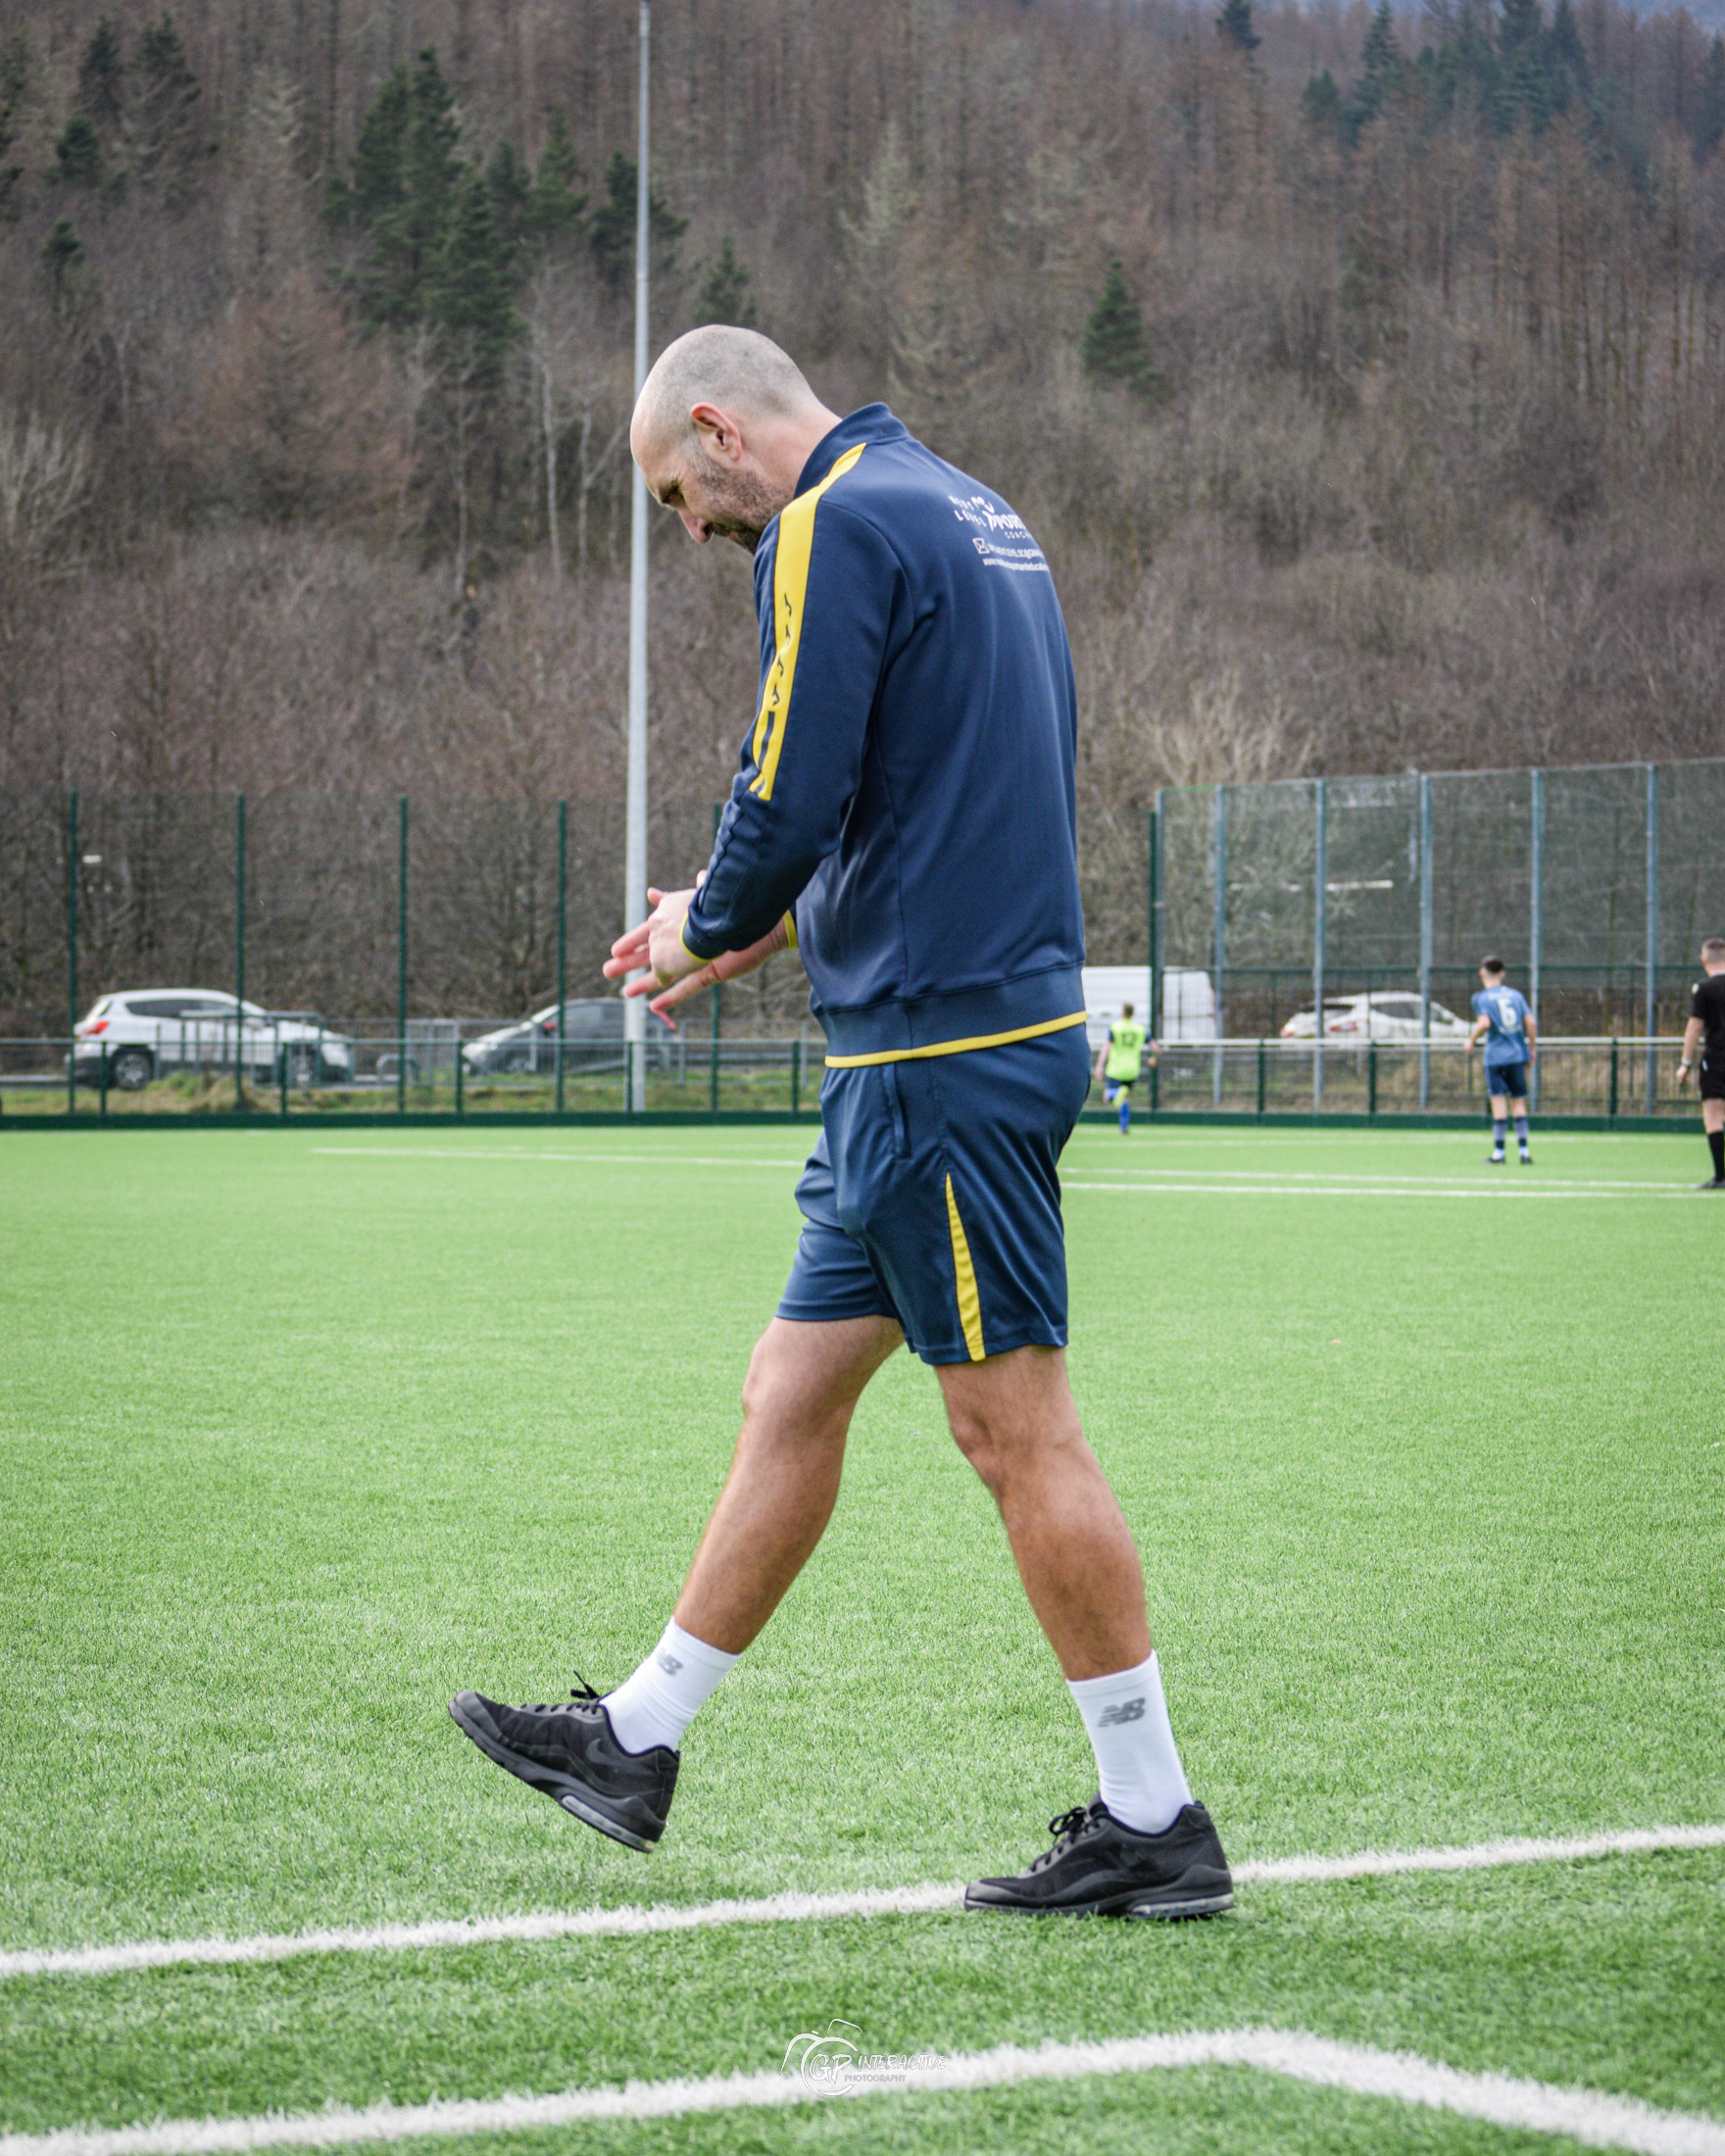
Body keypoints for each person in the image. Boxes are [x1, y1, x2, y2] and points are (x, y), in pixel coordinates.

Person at [450, 326, 1232, 1921]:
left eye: (681, 494)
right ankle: (638, 1742)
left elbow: (789, 786)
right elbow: (930, 802)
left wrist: (700, 924)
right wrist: (759, 932)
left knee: (1015, 1435)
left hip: (944, 1058)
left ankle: (1155, 1819)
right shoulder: (973, 512)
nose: (692, 528)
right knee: (791, 1386)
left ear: (724, 433)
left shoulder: (830, 523)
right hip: (940, 1039)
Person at [1464, 956, 1537, 1164]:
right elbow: (1531, 1023)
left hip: (1495, 1057)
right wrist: (1531, 1048)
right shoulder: (1516, 995)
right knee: (1518, 1102)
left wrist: (1470, 1040)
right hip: (1516, 1055)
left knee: (1498, 1104)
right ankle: (1523, 1151)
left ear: (1482, 973)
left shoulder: (1481, 998)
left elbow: (1484, 1023)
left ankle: (1499, 1153)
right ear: (1503, 974)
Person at [1677, 936, 1725, 1190]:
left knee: (1714, 1116)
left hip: (1717, 1060)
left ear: (1704, 960)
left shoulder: (1704, 988)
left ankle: (1721, 1177)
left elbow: (1695, 1026)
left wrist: (1685, 1062)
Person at [1094, 1001, 1156, 1134]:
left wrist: (1099, 1066)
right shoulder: (1140, 1029)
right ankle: (1124, 1126)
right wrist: (1153, 1058)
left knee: (1108, 1096)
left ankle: (1116, 1093)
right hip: (1132, 1070)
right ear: (1132, 1013)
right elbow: (1155, 1047)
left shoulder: (1115, 1027)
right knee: (1125, 1098)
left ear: (1122, 1012)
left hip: (1116, 1069)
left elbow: (1106, 1048)